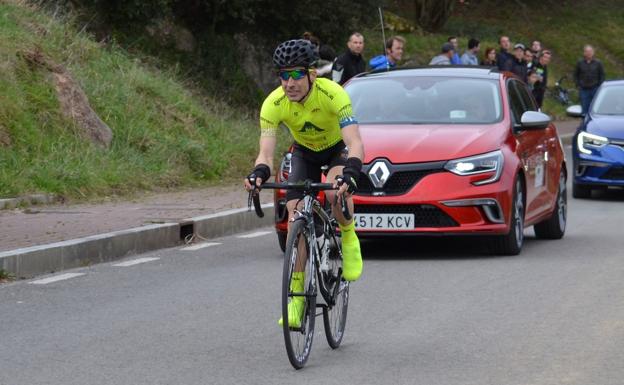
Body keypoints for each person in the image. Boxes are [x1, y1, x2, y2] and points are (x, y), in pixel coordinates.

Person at [244, 39, 364, 327]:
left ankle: (348, 237)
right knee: (296, 215)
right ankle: (296, 299)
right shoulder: (273, 103)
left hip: (337, 150)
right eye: (284, 75)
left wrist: (352, 171)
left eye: (297, 74)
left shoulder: (333, 94)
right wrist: (259, 172)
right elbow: (266, 151)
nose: (289, 83)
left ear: (313, 74)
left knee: (336, 194)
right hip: (304, 152)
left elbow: (355, 142)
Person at [574, 44, 605, 115]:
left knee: (595, 109)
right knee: (584, 110)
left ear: (593, 52)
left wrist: (599, 86)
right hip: (583, 90)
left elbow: (602, 75)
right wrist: (578, 84)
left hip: (595, 89)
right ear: (584, 53)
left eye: (590, 51)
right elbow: (576, 75)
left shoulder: (598, 63)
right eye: (587, 51)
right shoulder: (580, 63)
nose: (588, 53)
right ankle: (585, 124)